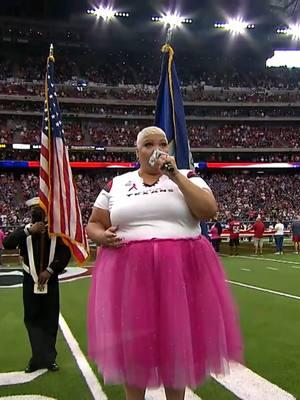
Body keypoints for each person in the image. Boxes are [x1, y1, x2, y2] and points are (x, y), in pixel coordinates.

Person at [86, 126, 242, 400]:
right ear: (137, 151)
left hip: (181, 273)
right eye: (148, 144)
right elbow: (94, 225)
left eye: (161, 143)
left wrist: (176, 176)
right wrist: (102, 236)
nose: (156, 149)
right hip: (129, 274)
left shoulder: (188, 177)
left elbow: (208, 210)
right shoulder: (116, 184)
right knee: (133, 344)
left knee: (175, 342)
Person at [3, 197, 71, 373]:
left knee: (49, 320)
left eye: (41, 210)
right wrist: (28, 231)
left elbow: (65, 255)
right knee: (32, 321)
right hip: (29, 281)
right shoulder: (25, 231)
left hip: (51, 281)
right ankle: (36, 357)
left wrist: (50, 270)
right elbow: (7, 243)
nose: (38, 214)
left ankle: (49, 359)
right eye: (35, 210)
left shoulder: (56, 233)